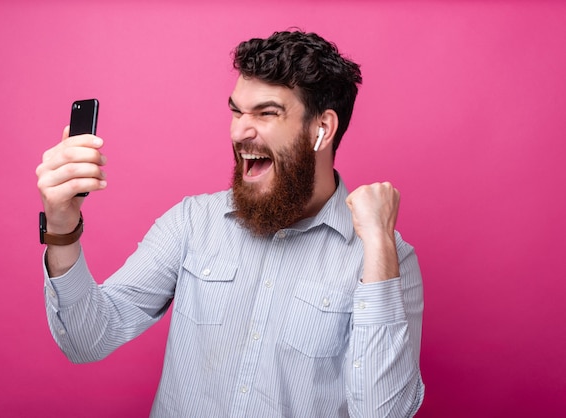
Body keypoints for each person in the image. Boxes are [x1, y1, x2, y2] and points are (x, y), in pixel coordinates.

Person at [36, 30, 425, 417]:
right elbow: (88, 339)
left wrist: (377, 245)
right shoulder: (193, 223)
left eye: (266, 113)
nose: (239, 131)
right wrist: (62, 226)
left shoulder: (388, 261)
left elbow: (382, 413)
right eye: (237, 111)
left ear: (321, 129)